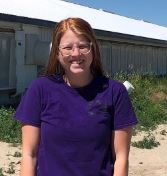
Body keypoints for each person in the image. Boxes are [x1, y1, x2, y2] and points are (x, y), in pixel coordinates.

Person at [14, 17, 138, 176]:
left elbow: (121, 157)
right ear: (57, 53)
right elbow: (29, 155)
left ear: (93, 49)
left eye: (83, 46)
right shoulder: (39, 89)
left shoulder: (115, 92)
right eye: (67, 47)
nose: (76, 53)